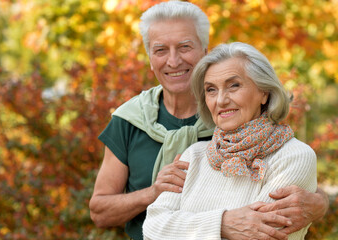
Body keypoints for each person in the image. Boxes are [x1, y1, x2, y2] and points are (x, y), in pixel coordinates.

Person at [89, 1, 328, 240]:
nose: (173, 61)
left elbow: (292, 164)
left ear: (205, 51)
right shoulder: (131, 121)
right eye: (160, 50)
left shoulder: (241, 122)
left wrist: (319, 203)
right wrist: (155, 193)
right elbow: (117, 216)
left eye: (184, 47)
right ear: (150, 59)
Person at [143, 42, 318, 240]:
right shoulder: (194, 155)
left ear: (264, 92)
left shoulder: (294, 157)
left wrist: (180, 227)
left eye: (234, 85)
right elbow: (153, 226)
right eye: (211, 90)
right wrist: (222, 224)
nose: (220, 100)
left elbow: (261, 236)